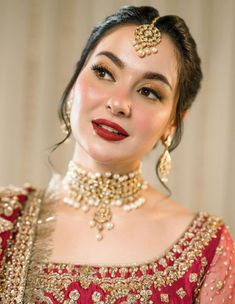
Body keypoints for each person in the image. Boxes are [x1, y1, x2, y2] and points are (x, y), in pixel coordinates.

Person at [0, 5, 234, 304]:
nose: (118, 103)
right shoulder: (6, 220)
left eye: (149, 91)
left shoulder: (205, 248)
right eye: (103, 72)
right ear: (74, 84)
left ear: (173, 122)